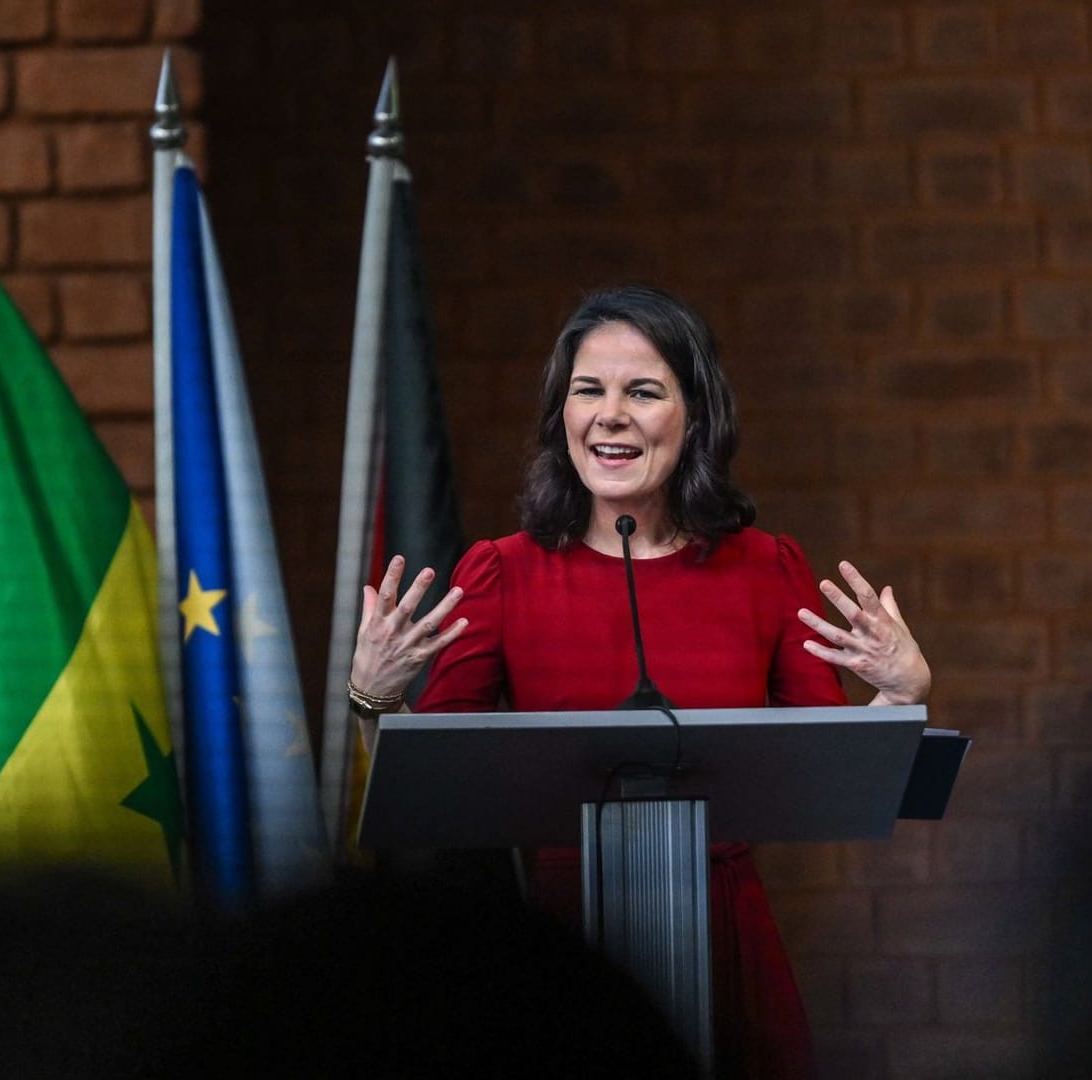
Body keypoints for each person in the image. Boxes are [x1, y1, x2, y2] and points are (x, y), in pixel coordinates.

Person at [344, 285, 932, 1080]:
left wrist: (899, 697)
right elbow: (434, 791)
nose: (609, 414)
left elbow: (820, 772)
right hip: (561, 945)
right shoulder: (503, 573)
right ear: (562, 416)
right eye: (588, 390)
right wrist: (376, 699)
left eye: (643, 392)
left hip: (728, 937)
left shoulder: (766, 568)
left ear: (696, 417)